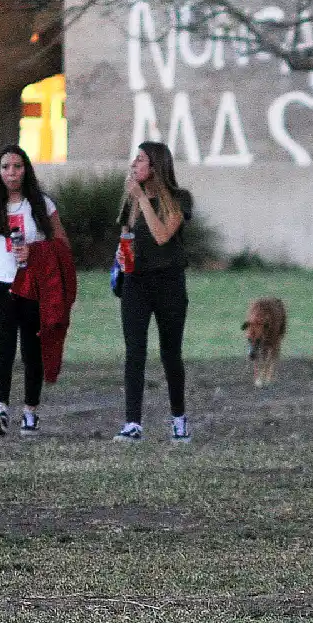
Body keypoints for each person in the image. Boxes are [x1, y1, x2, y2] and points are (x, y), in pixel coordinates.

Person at [0, 145, 70, 436]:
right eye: (5, 167)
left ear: (26, 169)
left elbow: (61, 245)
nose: (11, 173)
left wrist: (35, 252)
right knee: (3, 347)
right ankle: (0, 408)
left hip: (33, 285)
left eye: (17, 166)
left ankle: (30, 411)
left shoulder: (42, 205)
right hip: (0, 284)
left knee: (31, 349)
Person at [112, 141, 194, 444]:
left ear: (156, 166)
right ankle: (132, 423)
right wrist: (121, 255)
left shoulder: (179, 199)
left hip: (169, 283)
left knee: (170, 354)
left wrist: (142, 199)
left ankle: (178, 419)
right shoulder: (131, 200)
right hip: (136, 283)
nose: (134, 164)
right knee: (134, 352)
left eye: (141, 159)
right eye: (135, 158)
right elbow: (126, 235)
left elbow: (161, 236)